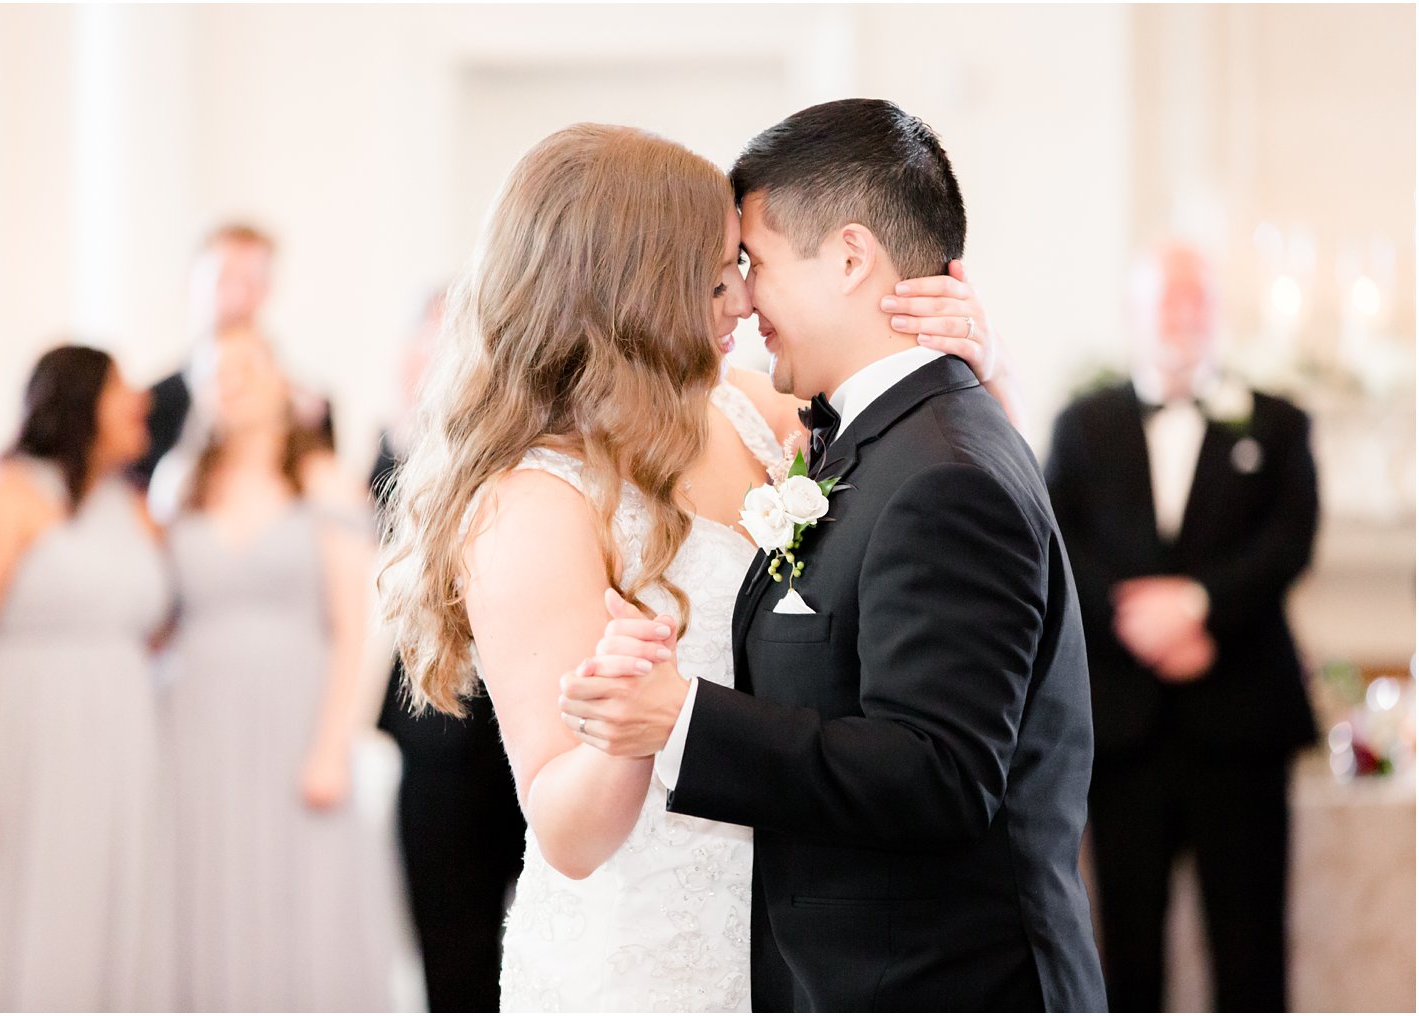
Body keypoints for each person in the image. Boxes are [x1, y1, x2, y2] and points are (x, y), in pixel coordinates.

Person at [379, 120, 1015, 1012]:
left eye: (744, 272)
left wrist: (967, 372)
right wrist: (635, 723)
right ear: (630, 286)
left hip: (801, 927)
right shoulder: (532, 501)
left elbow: (919, 502)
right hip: (646, 954)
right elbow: (564, 828)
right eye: (718, 278)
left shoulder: (750, 409)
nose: (743, 304)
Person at [557, 99, 1107, 1012]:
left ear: (851, 257)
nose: (739, 301)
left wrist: (682, 717)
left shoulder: (943, 473)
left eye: (754, 264)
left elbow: (939, 774)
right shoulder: (873, 439)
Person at [1044, 242, 1319, 1011]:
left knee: (1252, 951)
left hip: (1241, 727)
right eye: (1167, 299)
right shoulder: (1081, 425)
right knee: (1127, 956)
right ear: (1132, 315)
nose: (1183, 316)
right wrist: (1136, 617)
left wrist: (1197, 607)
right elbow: (1056, 540)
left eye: (1198, 300)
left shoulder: (1280, 422)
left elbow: (1289, 542)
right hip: (1123, 733)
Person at [0, 345, 174, 1011]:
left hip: (119, 752)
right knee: (19, 908)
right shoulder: (4, 499)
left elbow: (158, 620)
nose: (141, 401)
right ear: (84, 404)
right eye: (122, 390)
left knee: (100, 909)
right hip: (23, 751)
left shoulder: (134, 508)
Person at [158, 329, 416, 1011]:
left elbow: (353, 626)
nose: (230, 381)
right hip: (195, 720)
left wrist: (334, 747)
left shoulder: (321, 480)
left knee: (296, 885)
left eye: (246, 366)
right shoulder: (179, 483)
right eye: (214, 372)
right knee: (205, 887)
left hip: (296, 716)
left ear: (281, 381)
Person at [370, 287, 527, 1014]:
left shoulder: (518, 454)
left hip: (520, 725)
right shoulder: (377, 464)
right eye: (430, 349)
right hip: (434, 735)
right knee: (452, 946)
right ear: (407, 360)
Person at [133, 222, 333, 498]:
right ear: (192, 283)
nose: (238, 298)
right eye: (223, 280)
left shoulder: (311, 408)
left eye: (252, 283)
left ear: (269, 289)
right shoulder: (150, 405)